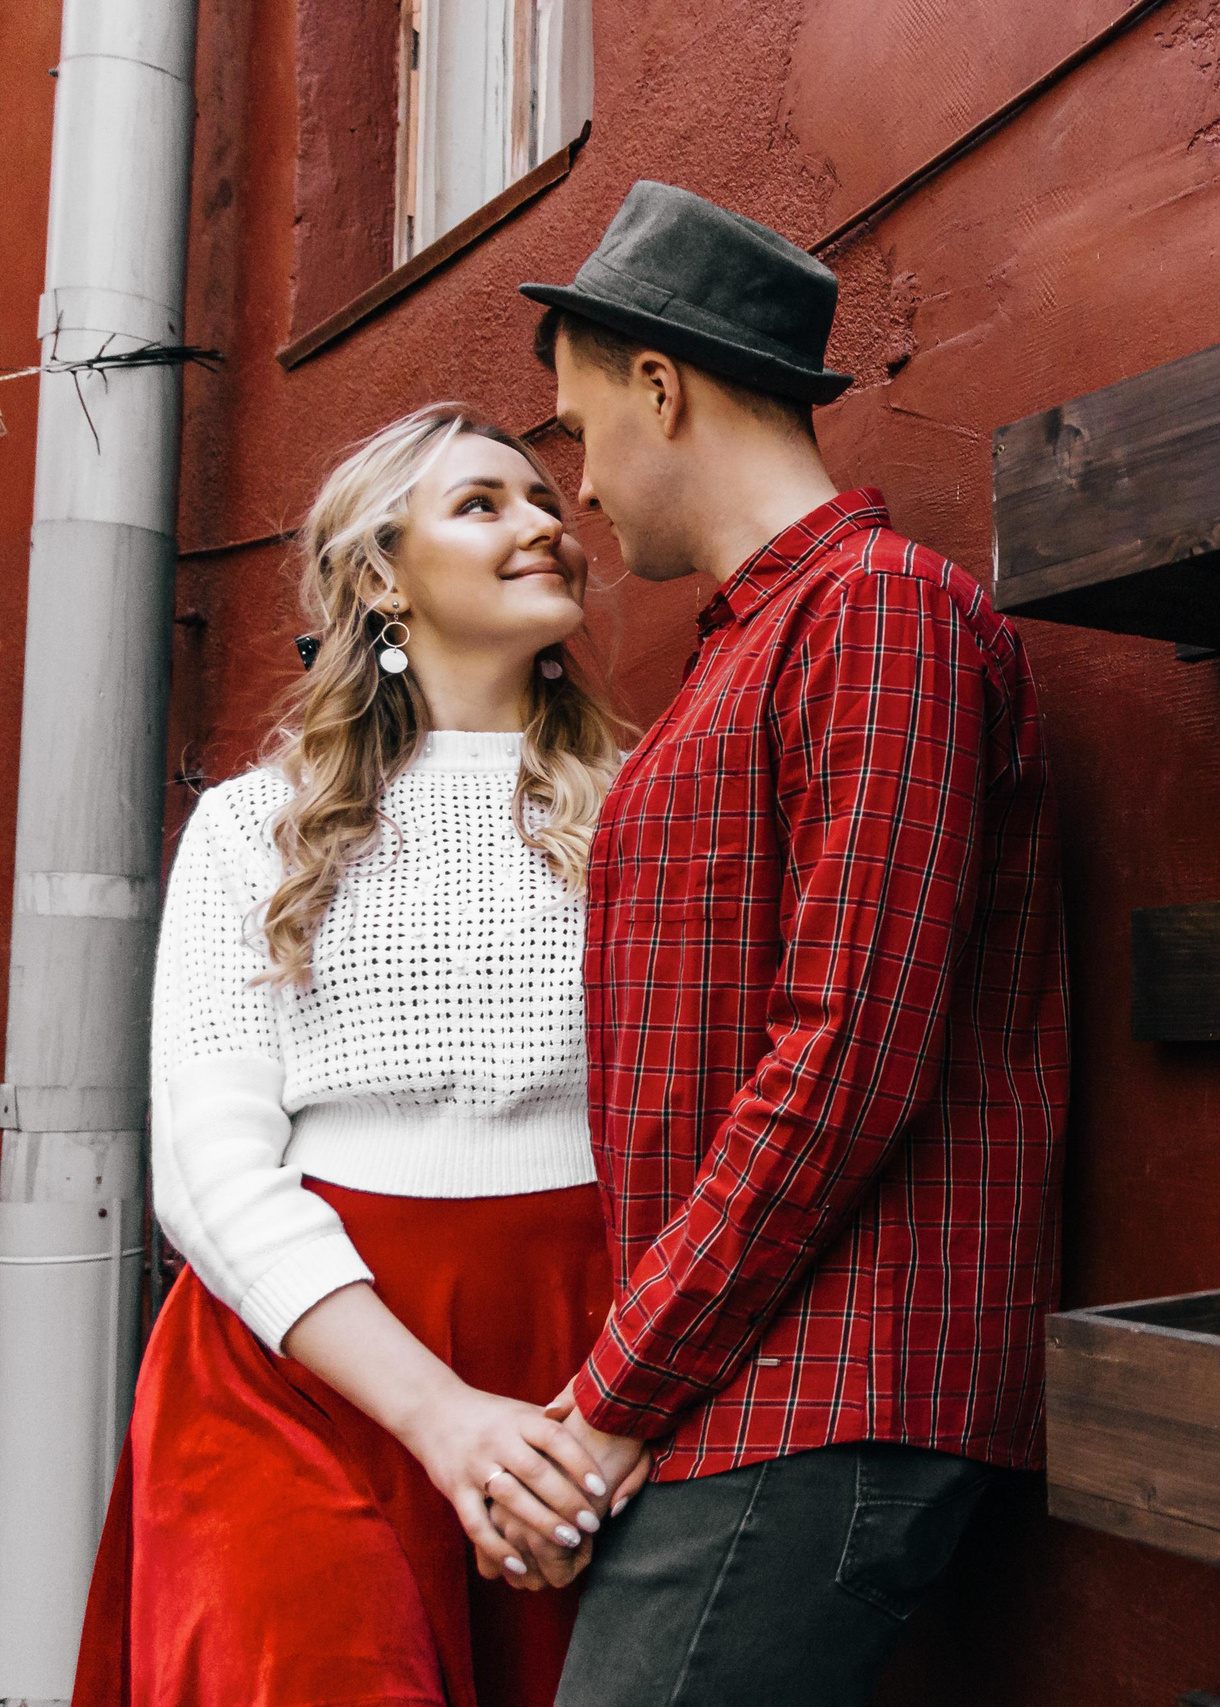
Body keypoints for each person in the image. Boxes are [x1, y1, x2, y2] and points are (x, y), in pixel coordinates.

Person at [508, 182, 1070, 1706]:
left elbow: (847, 1059)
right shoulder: (748, 646)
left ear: (659, 385)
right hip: (732, 1380)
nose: (580, 491)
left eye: (573, 433)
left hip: (821, 1385)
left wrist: (618, 1392)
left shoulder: (877, 611)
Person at [71, 404, 649, 1707]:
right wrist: (440, 1416)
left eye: (543, 500)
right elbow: (209, 1164)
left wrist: (625, 1409)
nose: (544, 525)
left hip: (575, 1357)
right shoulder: (252, 828)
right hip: (296, 1367)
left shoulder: (650, 804)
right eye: (483, 504)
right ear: (382, 574)